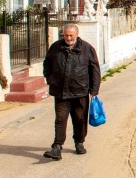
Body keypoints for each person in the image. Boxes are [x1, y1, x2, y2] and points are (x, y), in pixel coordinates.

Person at [42, 23, 101, 160]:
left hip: (80, 91)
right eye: (66, 35)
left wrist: (94, 90)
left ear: (76, 35)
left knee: (80, 119)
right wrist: (50, 79)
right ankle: (57, 147)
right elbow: (47, 64)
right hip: (61, 91)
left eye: (71, 35)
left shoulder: (86, 48)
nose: (68, 38)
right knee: (60, 119)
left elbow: (95, 70)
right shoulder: (56, 47)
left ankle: (79, 142)